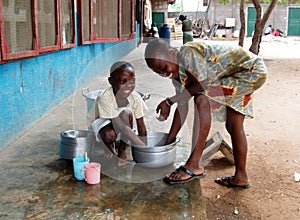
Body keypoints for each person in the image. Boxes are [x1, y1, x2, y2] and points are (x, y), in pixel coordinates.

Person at [144, 39, 267, 188]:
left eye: (164, 67)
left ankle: (194, 164)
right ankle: (241, 177)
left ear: (171, 54)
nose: (164, 73)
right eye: (158, 72)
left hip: (249, 71)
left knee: (202, 99)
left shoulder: (187, 53)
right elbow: (182, 107)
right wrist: (168, 142)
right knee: (234, 126)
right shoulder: (178, 75)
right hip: (240, 73)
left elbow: (203, 83)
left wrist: (170, 101)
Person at [90, 61, 147, 165]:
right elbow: (120, 126)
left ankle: (122, 150)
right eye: (122, 81)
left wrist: (147, 150)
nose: (129, 86)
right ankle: (108, 148)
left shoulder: (136, 98)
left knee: (126, 113)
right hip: (103, 122)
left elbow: (141, 126)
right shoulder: (105, 97)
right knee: (108, 135)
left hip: (124, 123)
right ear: (111, 81)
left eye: (132, 81)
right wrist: (142, 147)